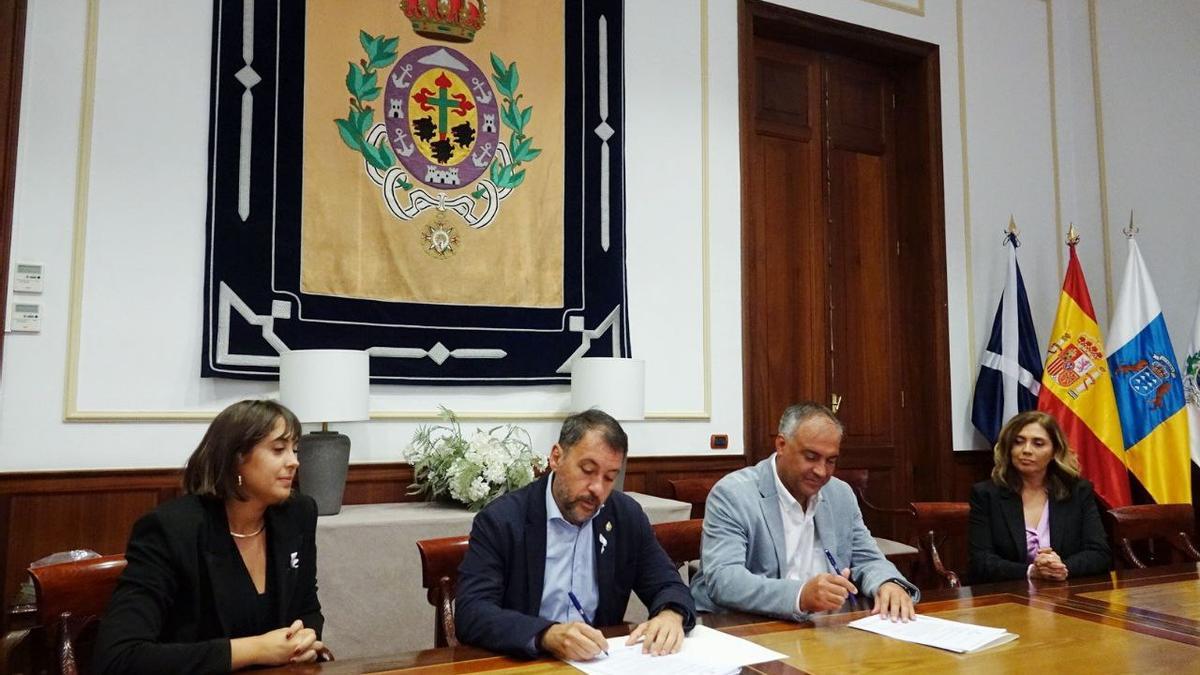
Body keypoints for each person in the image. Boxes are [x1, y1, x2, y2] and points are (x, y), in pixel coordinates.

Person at [95, 400, 326, 674]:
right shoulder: (171, 529)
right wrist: (255, 650)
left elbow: (307, 607)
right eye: (278, 450)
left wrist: (304, 641)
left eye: (295, 449)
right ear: (235, 458)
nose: (294, 461)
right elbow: (119, 657)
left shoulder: (297, 514)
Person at [455, 409, 696, 660]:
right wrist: (546, 635)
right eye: (588, 470)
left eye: (609, 477)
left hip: (596, 662)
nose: (597, 489)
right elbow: (472, 612)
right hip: (528, 662)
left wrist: (671, 613)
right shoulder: (503, 520)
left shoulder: (624, 516)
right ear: (556, 457)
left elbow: (668, 584)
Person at [691, 402, 918, 621]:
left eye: (831, 461)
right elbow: (724, 580)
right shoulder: (734, 494)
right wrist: (800, 595)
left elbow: (867, 559)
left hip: (826, 628)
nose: (821, 471)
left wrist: (888, 583)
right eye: (810, 457)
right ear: (781, 445)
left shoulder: (840, 494)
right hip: (746, 626)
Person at [968, 410, 1110, 583]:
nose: (1026, 450)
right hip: (1007, 595)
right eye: (1018, 442)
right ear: (1008, 448)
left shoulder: (1077, 491)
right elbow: (980, 560)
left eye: (1038, 443)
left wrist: (1063, 567)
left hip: (1065, 595)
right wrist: (1031, 571)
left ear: (1054, 451)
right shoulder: (987, 494)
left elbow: (1100, 553)